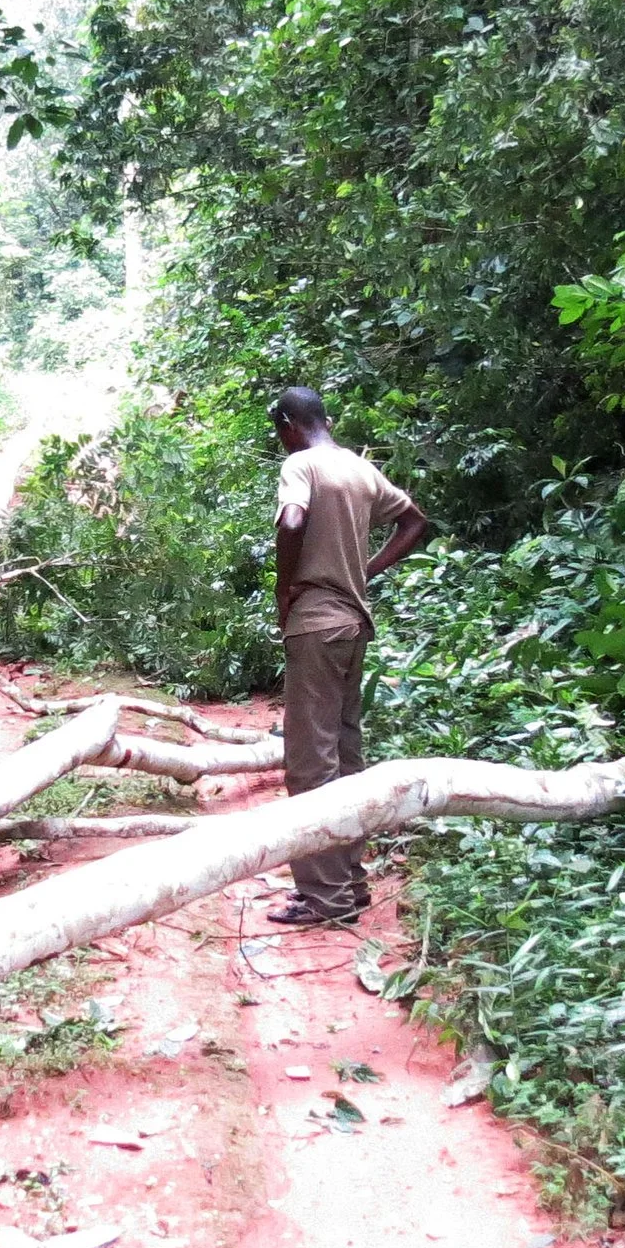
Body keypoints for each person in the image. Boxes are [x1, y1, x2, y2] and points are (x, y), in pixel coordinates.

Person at [266, 386, 430, 925]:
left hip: (315, 623)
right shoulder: (360, 470)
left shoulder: (302, 465)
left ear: (289, 423)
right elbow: (415, 523)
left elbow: (291, 523)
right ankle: (351, 884)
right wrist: (366, 572)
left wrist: (284, 589)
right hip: (355, 625)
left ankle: (327, 897)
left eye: (279, 431)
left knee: (311, 764)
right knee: (345, 755)